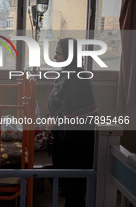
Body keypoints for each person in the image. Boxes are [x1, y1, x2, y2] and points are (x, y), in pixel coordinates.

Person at [47, 38, 97, 207]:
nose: (55, 57)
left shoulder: (78, 78)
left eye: (58, 53)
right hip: (66, 140)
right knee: (69, 189)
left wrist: (54, 120)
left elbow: (74, 111)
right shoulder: (66, 75)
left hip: (76, 144)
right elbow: (58, 106)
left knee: (74, 191)